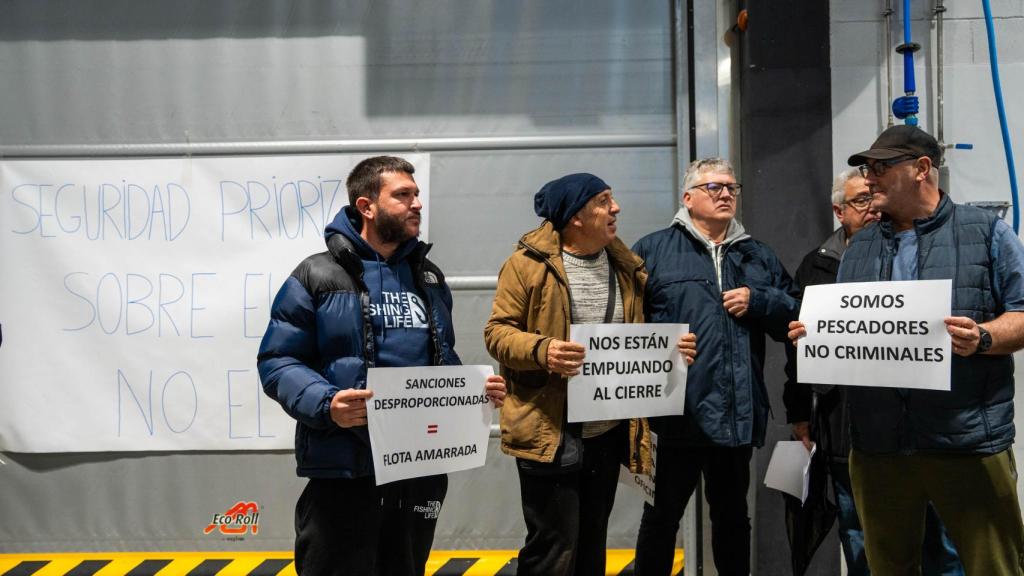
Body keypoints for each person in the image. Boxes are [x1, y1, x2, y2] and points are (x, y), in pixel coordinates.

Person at [788, 125, 1024, 574]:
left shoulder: (986, 233)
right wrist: (818, 335)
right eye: (867, 168)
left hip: (967, 440)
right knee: (888, 566)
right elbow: (854, 330)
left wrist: (984, 338)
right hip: (879, 446)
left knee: (993, 565)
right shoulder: (859, 249)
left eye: (881, 167)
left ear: (921, 169)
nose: (869, 177)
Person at [257, 156, 506, 576]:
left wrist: (471, 392)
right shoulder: (317, 274)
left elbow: (439, 358)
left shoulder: (427, 276)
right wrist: (327, 402)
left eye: (417, 195)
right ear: (367, 206)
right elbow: (278, 359)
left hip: (419, 466)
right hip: (346, 466)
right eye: (403, 195)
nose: (416, 205)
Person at [483, 173, 697, 576]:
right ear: (575, 216)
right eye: (603, 201)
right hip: (550, 428)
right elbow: (497, 333)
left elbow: (631, 337)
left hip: (606, 431)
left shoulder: (626, 265)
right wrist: (543, 350)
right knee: (553, 546)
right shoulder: (527, 266)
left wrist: (671, 350)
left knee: (592, 542)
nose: (615, 208)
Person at [782, 168, 963, 575]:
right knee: (859, 535)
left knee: (941, 539)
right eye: (860, 200)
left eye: (874, 196)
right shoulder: (817, 265)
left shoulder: (914, 252)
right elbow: (796, 353)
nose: (871, 207)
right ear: (838, 211)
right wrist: (799, 415)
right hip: (842, 427)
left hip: (921, 425)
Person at [631, 157, 801, 576]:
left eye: (731, 187)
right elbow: (625, 326)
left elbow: (796, 318)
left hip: (735, 418)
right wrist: (660, 347)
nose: (725, 193)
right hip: (673, 417)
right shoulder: (652, 251)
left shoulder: (758, 255)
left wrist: (759, 300)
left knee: (731, 521)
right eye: (714, 187)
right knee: (660, 520)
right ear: (688, 198)